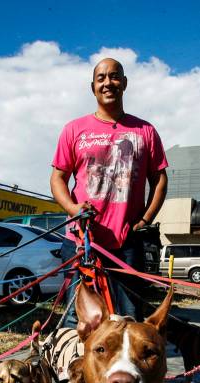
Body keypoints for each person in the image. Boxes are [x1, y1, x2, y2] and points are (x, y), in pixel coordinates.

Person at [51, 57, 168, 323]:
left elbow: (159, 179)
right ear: (92, 87)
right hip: (81, 241)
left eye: (114, 76)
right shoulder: (74, 129)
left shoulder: (145, 131)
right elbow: (58, 178)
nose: (108, 83)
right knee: (79, 321)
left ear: (124, 83)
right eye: (101, 78)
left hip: (127, 242)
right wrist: (72, 208)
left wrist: (145, 220)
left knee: (127, 319)